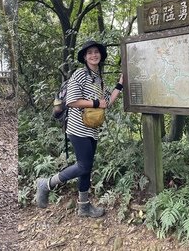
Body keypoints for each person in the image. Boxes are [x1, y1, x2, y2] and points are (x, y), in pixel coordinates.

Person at [35, 39, 123, 217]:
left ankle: (84, 206)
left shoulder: (98, 78)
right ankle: (46, 183)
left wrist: (120, 84)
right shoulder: (80, 75)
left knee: (87, 167)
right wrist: (96, 102)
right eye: (89, 53)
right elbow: (72, 101)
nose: (93, 55)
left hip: (92, 129)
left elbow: (107, 102)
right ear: (84, 57)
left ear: (101, 55)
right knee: (83, 166)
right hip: (77, 128)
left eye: (96, 52)